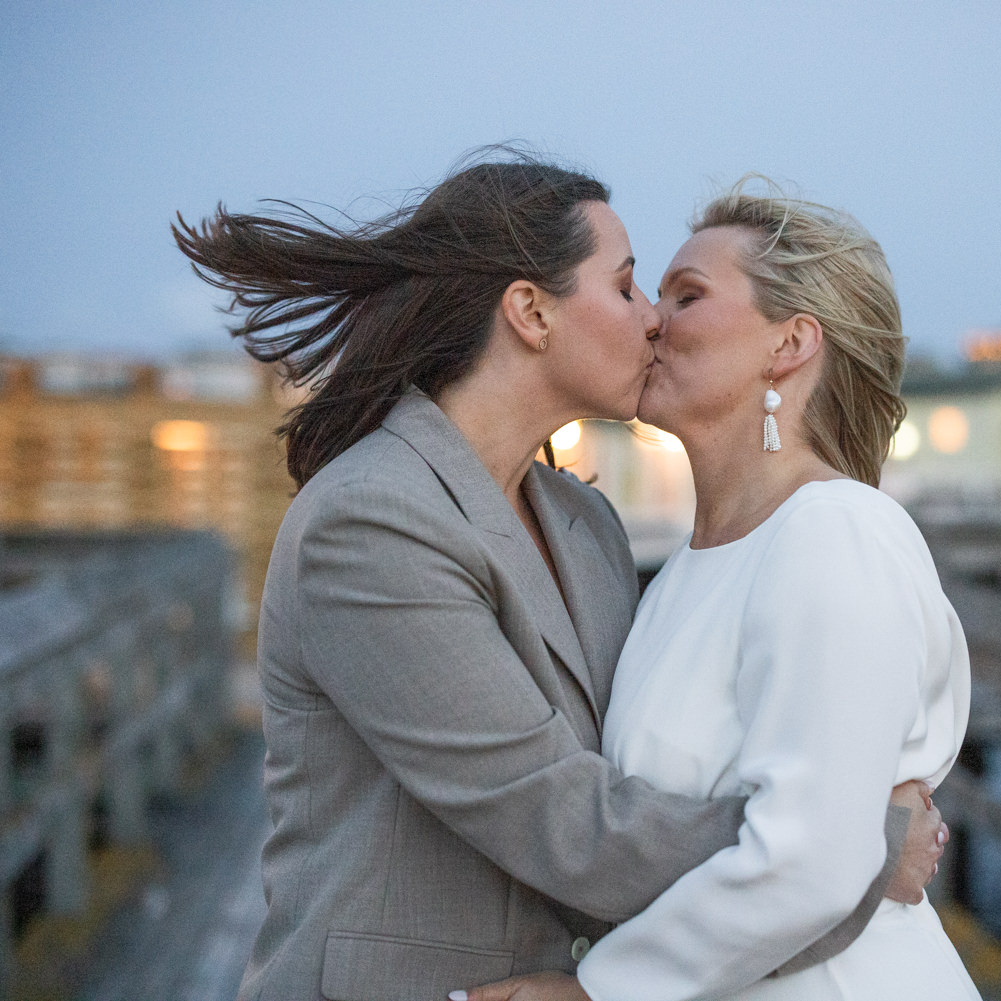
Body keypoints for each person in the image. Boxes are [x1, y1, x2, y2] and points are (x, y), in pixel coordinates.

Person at [172, 152, 948, 1001]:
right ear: (531, 313)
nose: (650, 318)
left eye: (675, 295)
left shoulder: (589, 525)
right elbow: (554, 806)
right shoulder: (370, 520)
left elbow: (665, 765)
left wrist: (832, 833)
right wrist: (860, 843)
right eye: (627, 288)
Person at [463, 183, 980, 1001]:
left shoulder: (834, 533)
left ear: (791, 344)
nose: (650, 320)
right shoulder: (675, 575)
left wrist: (598, 992)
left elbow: (813, 860)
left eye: (688, 295)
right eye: (647, 294)